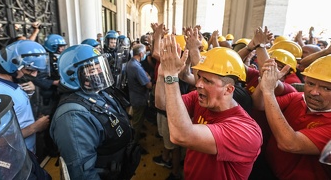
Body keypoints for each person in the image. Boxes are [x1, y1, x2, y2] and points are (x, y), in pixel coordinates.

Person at [158, 36, 263, 179]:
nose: (198, 84)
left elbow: (180, 135)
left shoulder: (246, 131)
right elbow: (163, 103)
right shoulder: (201, 99)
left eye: (207, 81)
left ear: (228, 90)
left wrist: (171, 76)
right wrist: (161, 74)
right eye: (199, 77)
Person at [50, 44, 140, 180]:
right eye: (92, 70)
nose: (99, 73)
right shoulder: (73, 117)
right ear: (73, 76)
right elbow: (83, 175)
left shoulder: (97, 92)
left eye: (100, 67)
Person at [253, 55, 331, 179]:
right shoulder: (297, 98)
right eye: (310, 83)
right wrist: (265, 79)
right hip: (268, 170)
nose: (314, 92)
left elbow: (289, 144)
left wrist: (268, 91)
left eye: (326, 88)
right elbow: (260, 104)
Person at [0, 40, 50, 153]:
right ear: (11, 65)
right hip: (12, 156)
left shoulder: (10, 79)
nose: (34, 75)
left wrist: (27, 94)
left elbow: (14, 108)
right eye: (29, 70)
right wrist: (34, 127)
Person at [126, 44, 152, 152]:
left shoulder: (131, 63)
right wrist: (149, 78)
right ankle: (133, 146)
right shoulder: (136, 67)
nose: (145, 55)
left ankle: (134, 139)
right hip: (139, 99)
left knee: (137, 121)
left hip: (134, 96)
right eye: (145, 53)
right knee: (136, 123)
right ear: (141, 54)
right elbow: (148, 85)